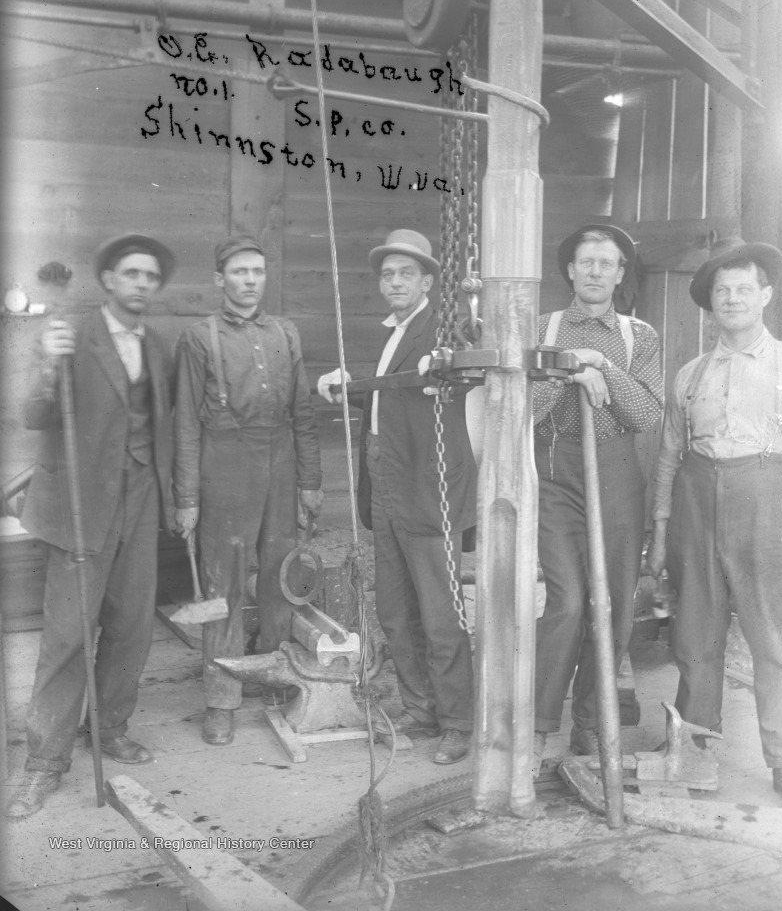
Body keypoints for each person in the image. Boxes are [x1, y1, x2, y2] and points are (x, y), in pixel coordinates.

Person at [648, 237, 782, 810]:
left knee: (772, 639)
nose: (732, 298)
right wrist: (660, 530)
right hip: (697, 505)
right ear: (710, 303)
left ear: (765, 295)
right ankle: (694, 751)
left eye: (744, 288)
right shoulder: (690, 374)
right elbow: (669, 456)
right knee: (695, 637)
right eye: (722, 290)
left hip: (768, 504)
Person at [7, 234, 176, 818]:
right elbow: (33, 414)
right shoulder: (70, 335)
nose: (141, 284)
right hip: (81, 504)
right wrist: (46, 364)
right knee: (68, 637)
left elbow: (161, 425)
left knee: (131, 627)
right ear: (108, 280)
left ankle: (109, 728)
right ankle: (43, 763)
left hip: (141, 500)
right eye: (131, 273)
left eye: (150, 276)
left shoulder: (158, 345)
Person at [318, 230, 477, 765]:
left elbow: (467, 364)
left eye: (406, 274)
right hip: (384, 482)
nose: (395, 283)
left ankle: (457, 721)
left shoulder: (444, 328)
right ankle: (419, 708)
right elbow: (389, 401)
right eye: (388, 275)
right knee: (394, 608)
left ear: (427, 282)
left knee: (439, 613)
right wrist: (347, 386)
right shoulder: (387, 334)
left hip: (428, 485)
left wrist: (450, 364)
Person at [173, 237, 322, 746]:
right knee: (225, 585)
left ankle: (275, 679)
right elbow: (185, 425)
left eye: (257, 271)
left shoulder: (284, 332)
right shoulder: (199, 338)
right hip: (224, 465)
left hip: (280, 463)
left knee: (281, 574)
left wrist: (310, 481)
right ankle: (221, 699)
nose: (251, 280)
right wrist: (187, 498)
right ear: (220, 280)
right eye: (240, 272)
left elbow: (303, 414)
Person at [532, 225, 663, 770]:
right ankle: (539, 727)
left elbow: (645, 412)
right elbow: (525, 408)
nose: (594, 271)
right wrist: (571, 369)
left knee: (611, 606)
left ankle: (588, 724)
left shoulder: (639, 337)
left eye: (605, 263)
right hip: (556, 470)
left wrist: (601, 364)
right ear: (570, 270)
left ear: (619, 273)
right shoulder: (543, 328)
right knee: (567, 602)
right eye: (585, 262)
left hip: (618, 471)